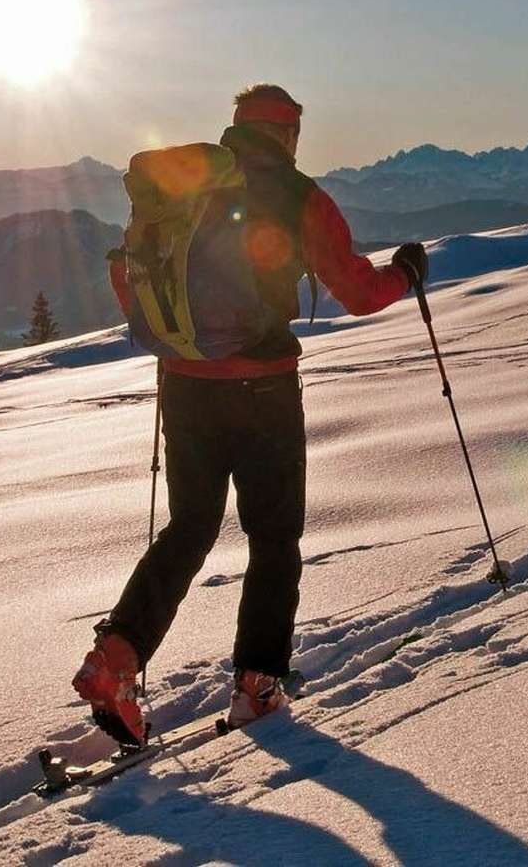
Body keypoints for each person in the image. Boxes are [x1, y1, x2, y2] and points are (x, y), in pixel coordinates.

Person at [73, 84, 428, 745]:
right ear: (290, 133)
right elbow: (354, 291)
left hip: (183, 385)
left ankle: (115, 660)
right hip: (263, 389)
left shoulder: (176, 189)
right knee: (272, 537)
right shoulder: (296, 196)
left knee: (190, 527)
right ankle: (258, 685)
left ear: (237, 129)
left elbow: (132, 280)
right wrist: (406, 275)